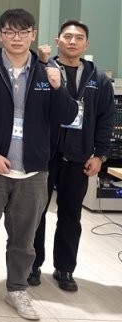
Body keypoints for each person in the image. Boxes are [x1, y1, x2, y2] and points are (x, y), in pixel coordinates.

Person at [0, 9, 78, 321]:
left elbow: (68, 116)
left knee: (25, 239)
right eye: (10, 32)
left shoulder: (47, 72)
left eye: (23, 32)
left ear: (33, 35)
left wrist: (59, 88)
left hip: (33, 170)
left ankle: (17, 288)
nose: (17, 38)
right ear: (0, 35)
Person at [30, 20, 114, 291]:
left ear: (86, 44)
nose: (73, 41)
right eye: (67, 36)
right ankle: (32, 265)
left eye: (79, 38)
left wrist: (100, 155)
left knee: (71, 214)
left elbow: (105, 119)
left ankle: (64, 268)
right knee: (36, 212)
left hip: (79, 155)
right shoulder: (44, 70)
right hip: (45, 154)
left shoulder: (98, 79)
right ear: (58, 41)